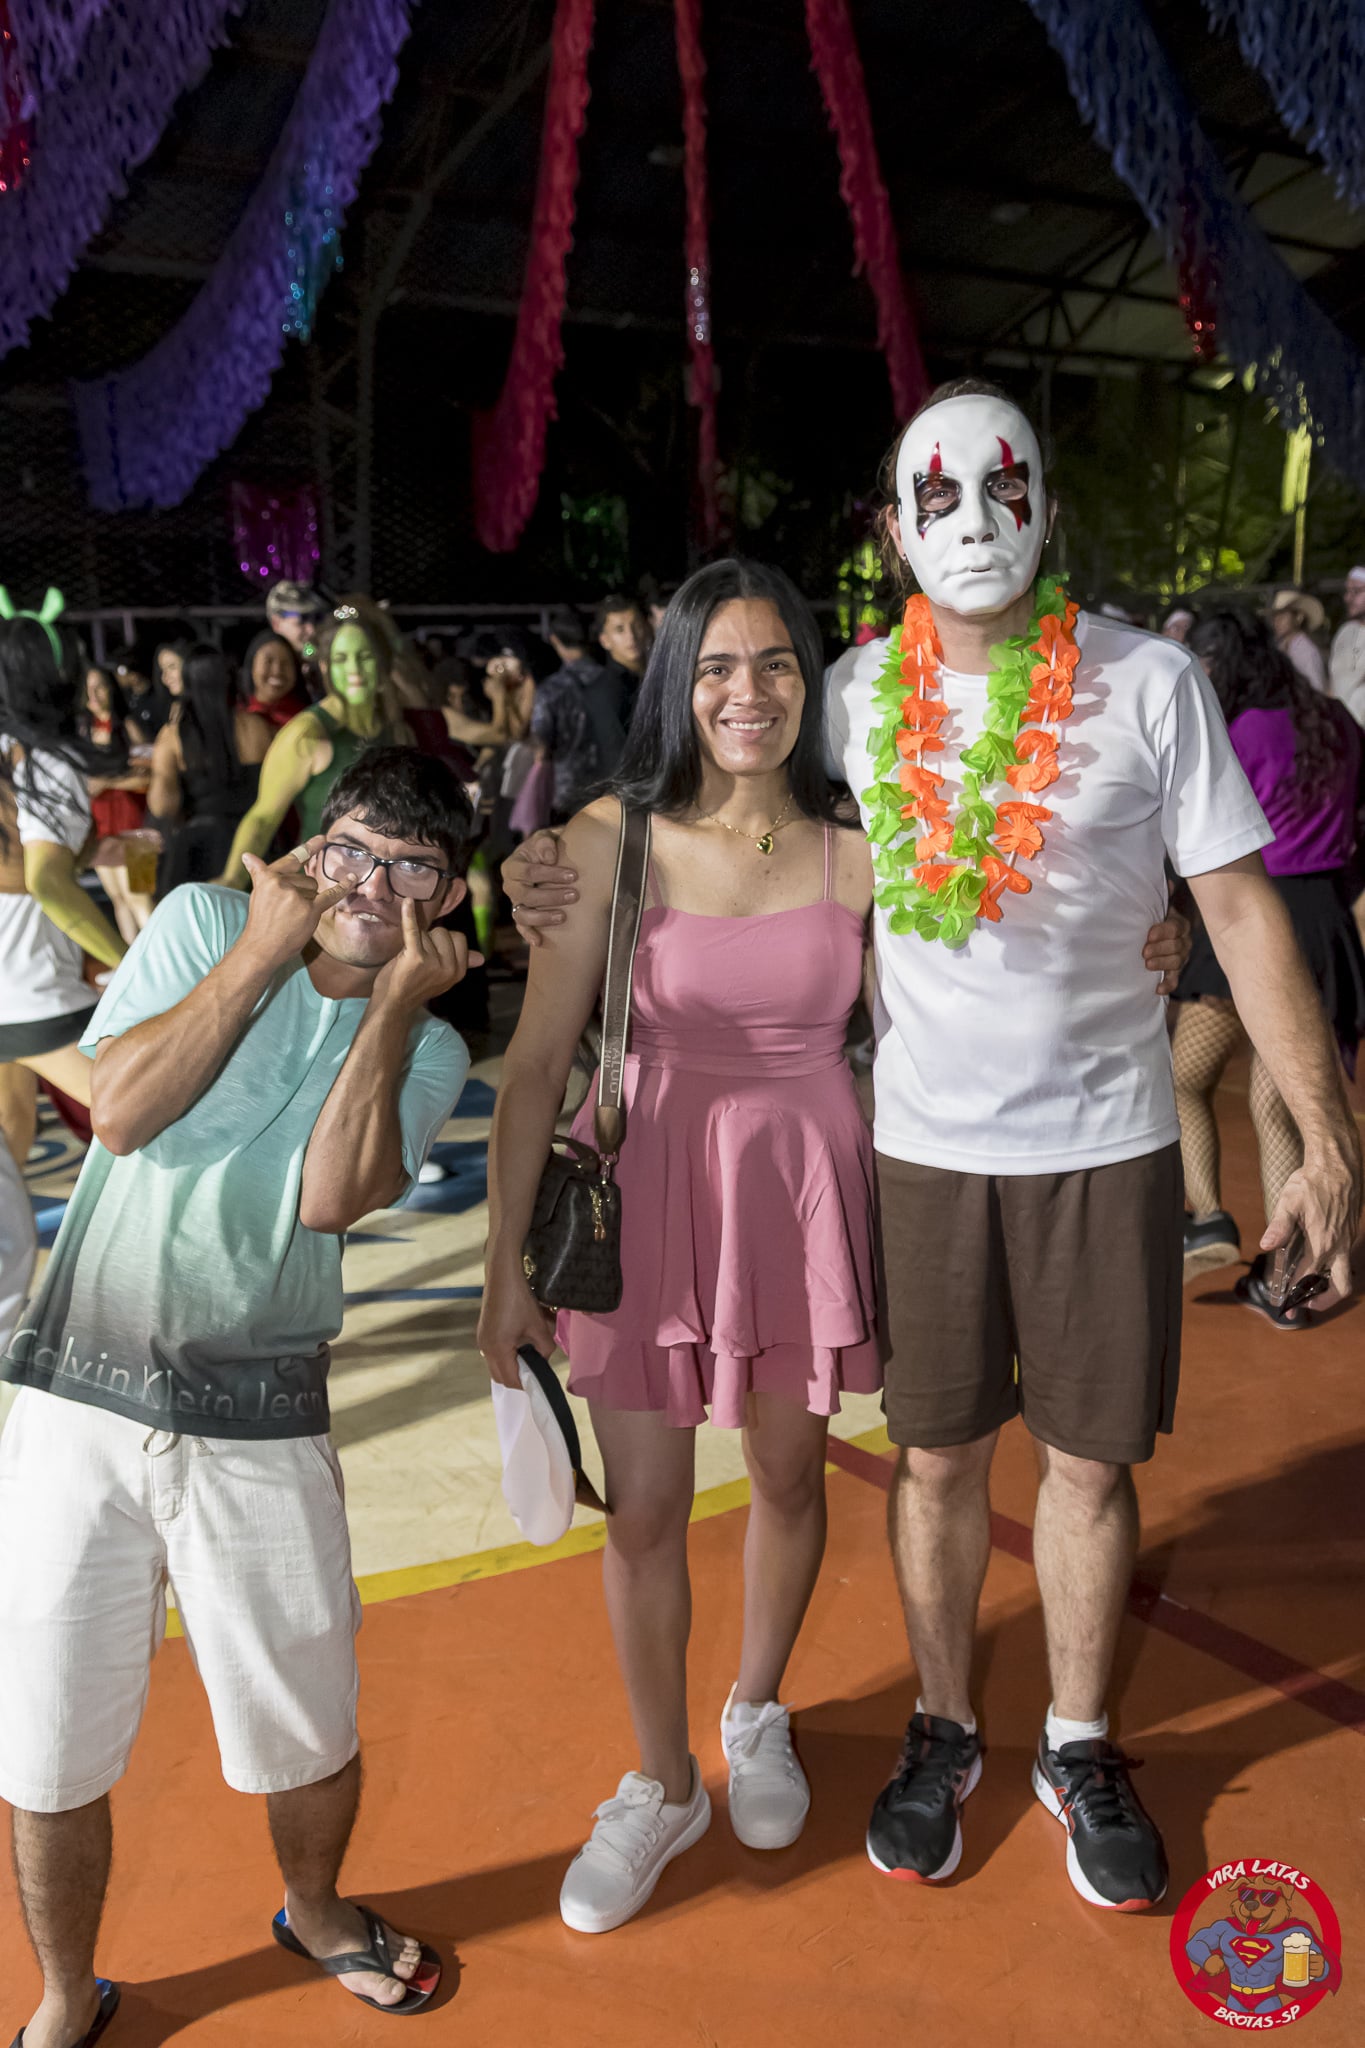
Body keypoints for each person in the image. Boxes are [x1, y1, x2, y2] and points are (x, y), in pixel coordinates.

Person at [503, 379, 1361, 1915]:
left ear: (1048, 510)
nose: (975, 519)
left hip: (1106, 1140)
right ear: (895, 533)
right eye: (938, 496)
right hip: (914, 1147)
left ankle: (1078, 1743)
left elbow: (1235, 907)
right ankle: (945, 1727)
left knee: (1087, 1466)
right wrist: (540, 876)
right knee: (936, 1457)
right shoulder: (846, 697)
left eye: (1004, 488)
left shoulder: (1149, 682)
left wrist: (1327, 1136)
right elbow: (719, 814)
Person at [0, 747, 477, 2048]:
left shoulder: (429, 1045)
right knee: (45, 1738)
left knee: (309, 1722)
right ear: (314, 845)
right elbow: (120, 1113)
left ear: (445, 900)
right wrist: (263, 953)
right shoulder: (207, 923)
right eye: (355, 848)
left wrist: (387, 1013)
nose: (373, 884)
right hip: (76, 1398)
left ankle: (316, 1910)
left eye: (414, 867)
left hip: (261, 1418)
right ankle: (63, 1992)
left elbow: (331, 1196)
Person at [481, 559, 882, 1934]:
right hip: (647, 1195)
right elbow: (535, 1067)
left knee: (788, 1474)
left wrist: (1145, 943)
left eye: (773, 662)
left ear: (809, 681)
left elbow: (956, 1005)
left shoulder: (860, 848)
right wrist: (502, 1272)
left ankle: (756, 1708)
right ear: (676, 685)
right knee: (645, 1511)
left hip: (800, 1194)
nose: (746, 691)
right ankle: (662, 1781)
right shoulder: (605, 841)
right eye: (715, 666)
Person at [1172, 610, 1365, 1314]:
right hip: (1325, 917)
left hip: (1253, 914)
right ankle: (1285, 1279)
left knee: (1183, 1079)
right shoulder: (1339, 722)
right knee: (1277, 1103)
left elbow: (1199, 843)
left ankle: (1208, 1218)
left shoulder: (1237, 731)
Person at [1, 605, 128, 1358]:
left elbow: (28, 867)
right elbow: (44, 884)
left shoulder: (12, 757)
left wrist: (90, 854)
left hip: (13, 990)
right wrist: (126, 960)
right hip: (30, 994)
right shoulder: (48, 764)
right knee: (148, 1125)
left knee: (8, 1145)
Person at [218, 606, 414, 888]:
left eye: (365, 657)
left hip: (379, 886)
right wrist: (232, 880)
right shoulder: (307, 733)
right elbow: (263, 817)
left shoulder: (396, 730)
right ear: (325, 666)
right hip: (319, 891)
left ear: (381, 664)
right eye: (341, 659)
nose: (354, 669)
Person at [150, 644, 273, 897]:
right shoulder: (259, 728)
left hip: (199, 850)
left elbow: (162, 806)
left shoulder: (173, 736)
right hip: (256, 845)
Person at [529, 606, 627, 824]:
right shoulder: (615, 683)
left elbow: (541, 746)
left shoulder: (551, 689)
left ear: (554, 640)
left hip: (566, 792)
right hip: (613, 788)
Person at [82, 667, 154, 945]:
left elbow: (149, 775)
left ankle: (158, 958)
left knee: (140, 896)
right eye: (88, 688)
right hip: (101, 824)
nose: (93, 694)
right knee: (118, 898)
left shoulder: (128, 727)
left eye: (99, 686)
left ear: (111, 689)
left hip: (134, 821)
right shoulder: (83, 731)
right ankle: (129, 961)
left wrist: (107, 782)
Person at [594, 593, 650, 721]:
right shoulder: (604, 692)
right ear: (604, 640)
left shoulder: (659, 675)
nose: (631, 636)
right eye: (620, 630)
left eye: (636, 626)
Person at [240, 628, 308, 730]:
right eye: (268, 661)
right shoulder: (238, 720)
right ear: (252, 666)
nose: (277, 671)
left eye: (285, 663)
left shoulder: (307, 719)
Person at [1268, 589, 1328, 692]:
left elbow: (1316, 689)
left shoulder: (1307, 652)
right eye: (1275, 616)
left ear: (1298, 618)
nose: (1277, 621)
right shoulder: (1278, 647)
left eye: (1283, 615)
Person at [1328, 565, 1365, 726]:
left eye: (1356, 591)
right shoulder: (1345, 632)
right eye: (1347, 591)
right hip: (1341, 728)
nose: (1348, 598)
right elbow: (1333, 685)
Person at [108, 645, 168, 742]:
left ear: (134, 676)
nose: (116, 675)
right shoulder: (123, 697)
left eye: (120, 671)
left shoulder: (158, 699)